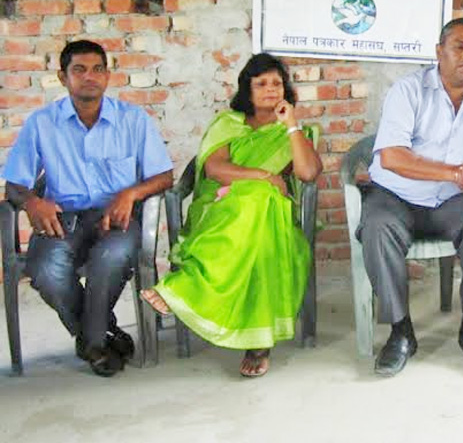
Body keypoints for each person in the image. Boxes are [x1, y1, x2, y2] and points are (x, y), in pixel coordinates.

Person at [140, 53, 322, 377]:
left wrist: (291, 125)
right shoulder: (229, 123)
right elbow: (215, 168)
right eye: (261, 84)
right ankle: (258, 344)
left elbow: (307, 173)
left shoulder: (290, 131)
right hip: (220, 211)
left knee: (260, 207)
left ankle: (183, 289)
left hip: (270, 218)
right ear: (247, 90)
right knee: (257, 198)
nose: (270, 90)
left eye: (277, 83)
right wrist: (265, 178)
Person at [2, 40, 174, 376]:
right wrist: (32, 201)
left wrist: (131, 194)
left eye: (97, 69)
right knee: (45, 271)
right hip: (61, 220)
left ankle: (93, 345)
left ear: (108, 76)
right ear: (63, 77)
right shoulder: (42, 123)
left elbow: (164, 176)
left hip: (116, 219)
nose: (89, 77)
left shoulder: (132, 120)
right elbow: (14, 183)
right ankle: (102, 335)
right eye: (79, 70)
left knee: (109, 261)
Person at [359, 17, 463, 376]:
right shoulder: (408, 90)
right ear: (439, 52)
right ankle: (400, 332)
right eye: (459, 46)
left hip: (451, 201)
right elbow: (391, 157)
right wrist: (455, 172)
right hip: (397, 196)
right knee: (376, 226)